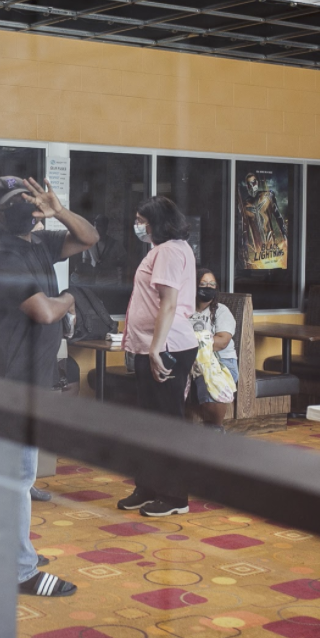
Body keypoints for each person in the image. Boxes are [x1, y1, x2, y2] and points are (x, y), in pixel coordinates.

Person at [0, 174, 97, 597]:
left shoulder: (41, 243)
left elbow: (89, 237)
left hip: (30, 379)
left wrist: (59, 211)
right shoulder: (0, 256)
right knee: (15, 477)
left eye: (27, 201)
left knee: (16, 477)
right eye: (13, 203)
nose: (24, 209)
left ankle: (9, 551)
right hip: (11, 383)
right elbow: (45, 312)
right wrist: (73, 297)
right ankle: (19, 570)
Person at [116, 196, 198, 518]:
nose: (137, 225)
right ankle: (148, 487)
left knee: (165, 422)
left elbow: (168, 304)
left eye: (141, 220)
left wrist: (156, 348)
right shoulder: (166, 249)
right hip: (153, 344)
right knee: (149, 422)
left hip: (166, 347)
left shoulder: (167, 251)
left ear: (157, 222)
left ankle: (175, 496)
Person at [188, 267, 238, 429]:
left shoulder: (222, 311)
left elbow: (222, 341)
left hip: (222, 362)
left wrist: (190, 343)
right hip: (189, 361)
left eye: (212, 284)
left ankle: (215, 429)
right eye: (202, 284)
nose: (207, 288)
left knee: (208, 378)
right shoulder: (183, 310)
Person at [71, 214, 127, 288]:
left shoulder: (115, 244)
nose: (96, 228)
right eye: (95, 225)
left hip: (111, 283)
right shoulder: (89, 243)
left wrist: (111, 263)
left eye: (99, 225)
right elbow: (85, 261)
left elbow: (125, 261)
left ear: (106, 227)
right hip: (93, 282)